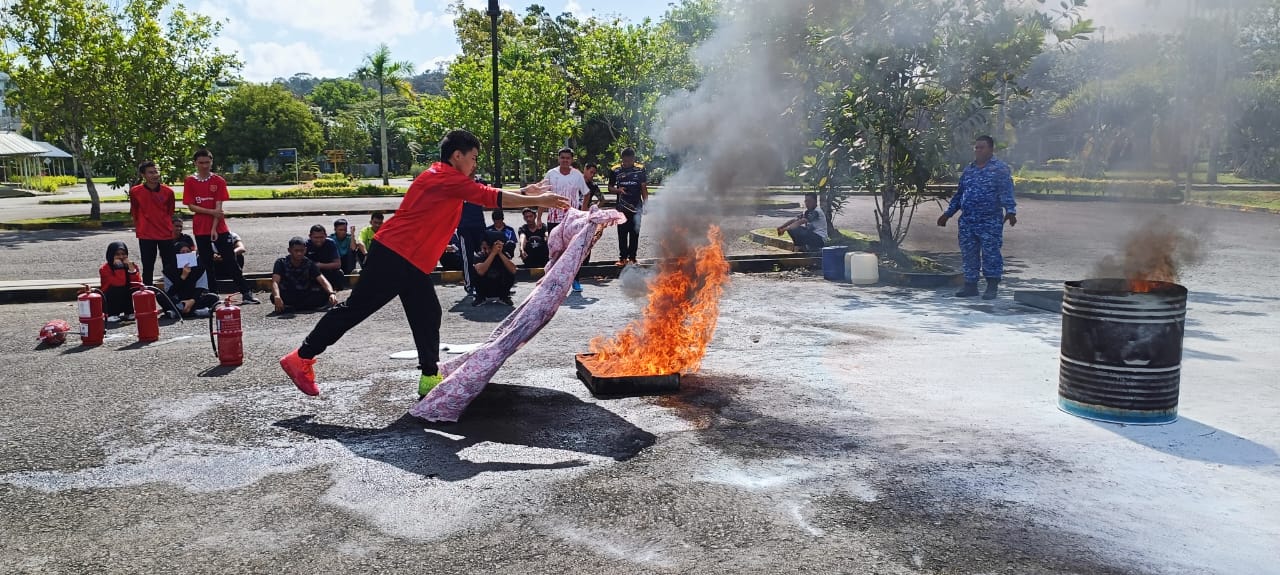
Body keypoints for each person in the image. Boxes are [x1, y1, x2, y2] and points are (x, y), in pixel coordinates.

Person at [279, 129, 568, 400]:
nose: (475, 163)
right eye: (474, 157)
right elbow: (487, 196)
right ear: (457, 155)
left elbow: (480, 189)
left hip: (410, 259)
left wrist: (526, 191)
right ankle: (301, 357)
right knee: (355, 310)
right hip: (394, 254)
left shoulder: (447, 178)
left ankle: (429, 377)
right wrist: (539, 197)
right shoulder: (442, 176)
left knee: (427, 312)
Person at [937, 135, 1017, 300]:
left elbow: (1006, 191)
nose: (978, 150)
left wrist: (1011, 210)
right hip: (968, 220)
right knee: (969, 253)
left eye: (982, 147)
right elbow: (960, 194)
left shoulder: (1000, 169)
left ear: (991, 149)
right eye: (976, 147)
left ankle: (992, 286)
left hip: (990, 220)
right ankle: (970, 286)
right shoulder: (969, 170)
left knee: (991, 253)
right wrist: (947, 214)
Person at [183, 149, 261, 304]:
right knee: (206, 262)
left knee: (231, 260)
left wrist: (213, 229)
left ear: (212, 162)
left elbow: (219, 210)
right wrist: (211, 211)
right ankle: (213, 295)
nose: (204, 165)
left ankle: (246, 293)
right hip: (200, 228)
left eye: (207, 162)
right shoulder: (190, 181)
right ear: (195, 163)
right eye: (201, 162)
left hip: (219, 228)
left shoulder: (218, 181)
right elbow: (192, 206)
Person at [543, 148, 590, 292]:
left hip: (572, 220)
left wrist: (582, 211)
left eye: (567, 158)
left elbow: (586, 193)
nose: (565, 160)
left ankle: (575, 280)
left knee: (574, 251)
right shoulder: (551, 174)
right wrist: (539, 216)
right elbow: (543, 196)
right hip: (554, 218)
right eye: (562, 157)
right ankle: (553, 282)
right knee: (555, 251)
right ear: (558, 159)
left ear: (571, 160)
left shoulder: (577, 175)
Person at [129, 161, 176, 287]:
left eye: (156, 171)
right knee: (148, 265)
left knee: (169, 265)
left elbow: (170, 211)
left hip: (165, 233)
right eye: (151, 172)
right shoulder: (135, 191)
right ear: (143, 175)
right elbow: (135, 210)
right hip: (146, 234)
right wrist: (141, 226)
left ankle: (172, 291)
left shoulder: (168, 192)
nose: (155, 175)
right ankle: (147, 292)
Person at [272, 237, 339, 313]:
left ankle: (292, 307)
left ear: (305, 250)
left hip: (305, 293)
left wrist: (331, 293)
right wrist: (277, 296)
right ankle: (301, 307)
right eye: (296, 251)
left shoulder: (309, 263)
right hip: (289, 293)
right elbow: (275, 282)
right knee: (273, 296)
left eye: (302, 250)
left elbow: (322, 280)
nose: (299, 253)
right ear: (289, 250)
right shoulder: (281, 262)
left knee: (324, 294)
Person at [609, 147, 648, 266]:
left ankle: (633, 258)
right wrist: (618, 190)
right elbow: (610, 188)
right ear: (622, 159)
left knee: (634, 233)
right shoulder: (615, 170)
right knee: (622, 233)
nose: (627, 163)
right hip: (621, 208)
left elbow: (643, 188)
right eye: (625, 161)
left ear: (633, 159)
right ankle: (622, 258)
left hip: (636, 208)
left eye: (630, 161)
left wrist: (646, 204)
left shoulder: (640, 170)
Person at [164, 236, 219, 318]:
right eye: (182, 252)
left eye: (188, 252)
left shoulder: (199, 267)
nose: (185, 254)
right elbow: (170, 292)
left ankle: (178, 312)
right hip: (178, 300)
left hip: (194, 299)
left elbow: (200, 288)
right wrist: (183, 277)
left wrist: (192, 301)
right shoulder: (169, 270)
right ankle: (195, 312)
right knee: (160, 296)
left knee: (214, 297)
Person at [470, 232, 517, 307]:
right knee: (473, 270)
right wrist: (492, 254)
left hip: (499, 287)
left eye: (487, 248)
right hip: (485, 288)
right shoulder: (479, 256)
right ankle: (481, 297)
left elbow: (513, 270)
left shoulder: (504, 254)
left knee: (509, 270)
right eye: (483, 247)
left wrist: (500, 253)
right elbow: (481, 272)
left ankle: (503, 297)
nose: (485, 250)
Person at [99, 241, 141, 322]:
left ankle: (129, 312)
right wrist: (119, 268)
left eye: (123, 254)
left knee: (135, 289)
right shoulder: (104, 269)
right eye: (117, 254)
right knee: (117, 289)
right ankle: (112, 314)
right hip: (110, 296)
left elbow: (137, 283)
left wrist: (132, 269)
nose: (121, 257)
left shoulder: (131, 265)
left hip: (124, 294)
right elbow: (118, 283)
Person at [305, 224, 346, 291]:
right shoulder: (305, 245)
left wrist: (319, 265)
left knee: (339, 273)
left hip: (326, 271)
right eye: (316, 237)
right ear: (310, 236)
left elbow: (338, 264)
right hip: (311, 273)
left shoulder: (330, 243)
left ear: (326, 235)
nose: (319, 240)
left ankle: (337, 293)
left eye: (321, 237)